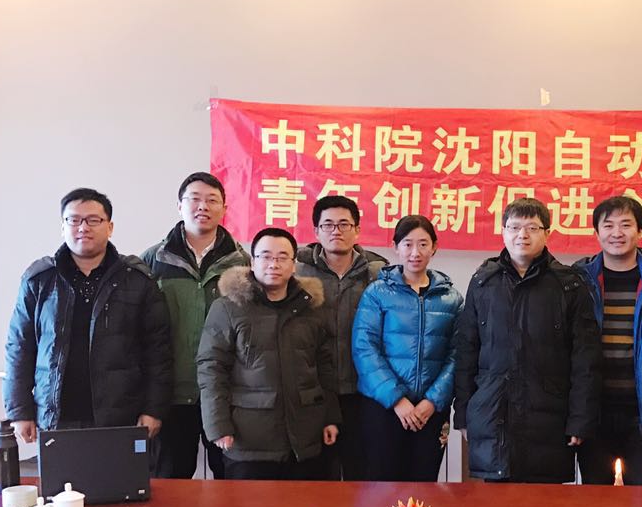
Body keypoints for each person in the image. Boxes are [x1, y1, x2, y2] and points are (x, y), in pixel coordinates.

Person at [4, 188, 171, 445]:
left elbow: (158, 351)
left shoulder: (137, 280)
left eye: (93, 220)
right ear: (63, 227)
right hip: (57, 416)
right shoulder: (39, 280)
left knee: (119, 474)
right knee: (60, 474)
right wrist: (20, 411)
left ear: (110, 227)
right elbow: (19, 347)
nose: (83, 227)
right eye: (74, 220)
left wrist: (153, 409)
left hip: (122, 416)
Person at [453, 197, 601, 483]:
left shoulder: (568, 285)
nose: (522, 235)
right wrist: (463, 414)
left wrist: (580, 419)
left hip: (550, 419)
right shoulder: (483, 282)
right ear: (503, 231)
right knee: (495, 506)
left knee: (544, 506)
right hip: (493, 415)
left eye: (532, 228)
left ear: (547, 233)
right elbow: (466, 352)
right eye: (514, 227)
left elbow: (585, 359)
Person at [197, 227, 339, 480]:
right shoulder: (228, 308)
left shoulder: (311, 308)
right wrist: (218, 425)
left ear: (294, 265)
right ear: (252, 263)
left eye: (282, 257)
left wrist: (331, 417)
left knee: (306, 505)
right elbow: (211, 368)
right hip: (249, 439)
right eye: (266, 256)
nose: (274, 264)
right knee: (250, 506)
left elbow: (324, 367)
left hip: (304, 438)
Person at [141, 172, 249, 478]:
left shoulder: (242, 263)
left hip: (227, 392)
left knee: (231, 481)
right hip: (171, 393)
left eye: (212, 200)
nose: (203, 206)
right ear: (180, 206)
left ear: (224, 208)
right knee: (170, 481)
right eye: (195, 199)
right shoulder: (153, 260)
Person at [352, 215, 464, 482]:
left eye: (423, 244)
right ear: (395, 247)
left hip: (430, 411)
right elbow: (365, 349)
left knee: (423, 488)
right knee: (381, 487)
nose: (415, 252)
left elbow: (458, 354)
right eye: (408, 244)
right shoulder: (376, 293)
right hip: (384, 407)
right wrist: (397, 400)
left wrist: (432, 401)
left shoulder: (451, 299)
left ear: (434, 247)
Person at [573, 195, 642, 486]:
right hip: (595, 411)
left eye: (626, 225)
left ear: (640, 231)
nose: (617, 233)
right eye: (608, 226)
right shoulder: (578, 281)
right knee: (595, 499)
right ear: (596, 233)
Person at [296, 195, 387, 479]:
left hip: (363, 391)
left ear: (357, 230)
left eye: (344, 224)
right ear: (316, 231)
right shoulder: (297, 272)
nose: (336, 231)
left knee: (362, 475)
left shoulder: (378, 273)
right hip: (315, 392)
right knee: (318, 477)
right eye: (328, 224)